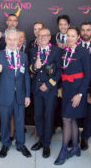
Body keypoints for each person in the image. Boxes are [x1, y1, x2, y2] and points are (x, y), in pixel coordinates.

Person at [0, 29, 31, 158]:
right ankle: (5, 144)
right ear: (5, 40)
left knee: (20, 121)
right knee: (5, 122)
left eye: (15, 39)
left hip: (19, 95)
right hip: (4, 95)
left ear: (19, 40)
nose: (12, 42)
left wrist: (27, 95)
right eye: (10, 39)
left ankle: (20, 144)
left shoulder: (23, 56)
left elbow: (26, 77)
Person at [54, 27, 91, 165]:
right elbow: (62, 71)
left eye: (72, 36)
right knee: (72, 120)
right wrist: (60, 87)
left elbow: (88, 75)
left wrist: (80, 94)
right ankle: (75, 147)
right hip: (67, 89)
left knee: (66, 118)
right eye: (68, 36)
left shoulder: (83, 52)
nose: (69, 38)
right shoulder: (64, 51)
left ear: (78, 37)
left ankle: (64, 150)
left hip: (77, 91)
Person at [29, 28, 62, 158]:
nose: (42, 38)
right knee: (38, 116)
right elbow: (30, 70)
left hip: (50, 90)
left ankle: (47, 144)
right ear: (37, 37)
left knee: (48, 117)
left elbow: (59, 71)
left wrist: (48, 84)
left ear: (49, 37)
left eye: (45, 35)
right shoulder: (32, 50)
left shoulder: (57, 51)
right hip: (37, 89)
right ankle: (41, 140)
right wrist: (35, 67)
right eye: (40, 35)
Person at [79, 21, 91, 150]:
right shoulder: (74, 45)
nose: (85, 32)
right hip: (77, 85)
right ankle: (73, 136)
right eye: (83, 30)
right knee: (74, 111)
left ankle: (85, 137)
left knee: (89, 114)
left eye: (88, 30)